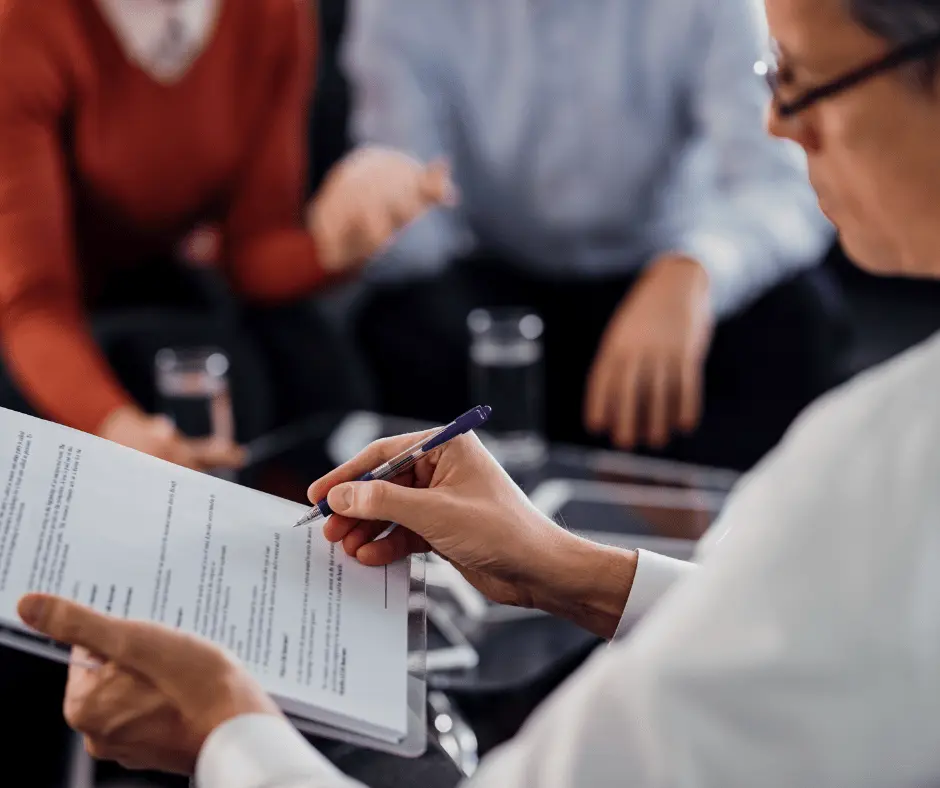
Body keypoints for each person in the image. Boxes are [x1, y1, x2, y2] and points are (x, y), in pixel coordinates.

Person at [15, 0, 940, 784]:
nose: (779, 120)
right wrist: (566, 567)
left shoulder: (869, 471)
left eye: (797, 76)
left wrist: (224, 727)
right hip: (476, 277)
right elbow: (801, 635)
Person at [342, 0, 848, 470]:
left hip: (661, 277)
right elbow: (418, 234)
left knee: (794, 316)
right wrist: (372, 212)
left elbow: (781, 184)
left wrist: (695, 270)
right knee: (402, 323)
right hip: (495, 282)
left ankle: (744, 549)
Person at [0, 0, 453, 472]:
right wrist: (119, 428)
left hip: (167, 281)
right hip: (43, 313)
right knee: (214, 377)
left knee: (320, 372)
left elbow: (252, 252)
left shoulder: (272, 13)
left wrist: (338, 246)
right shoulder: (29, 23)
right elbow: (33, 303)